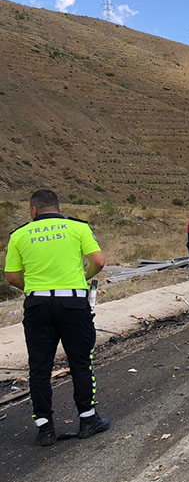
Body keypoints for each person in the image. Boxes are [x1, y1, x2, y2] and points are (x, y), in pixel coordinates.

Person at [4, 190, 110, 446]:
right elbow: (98, 261)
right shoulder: (77, 228)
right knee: (81, 362)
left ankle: (45, 429)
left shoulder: (19, 235)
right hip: (73, 301)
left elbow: (12, 276)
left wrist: (32, 288)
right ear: (57, 207)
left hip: (38, 303)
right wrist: (81, 280)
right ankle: (88, 420)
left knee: (39, 367)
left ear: (33, 210)